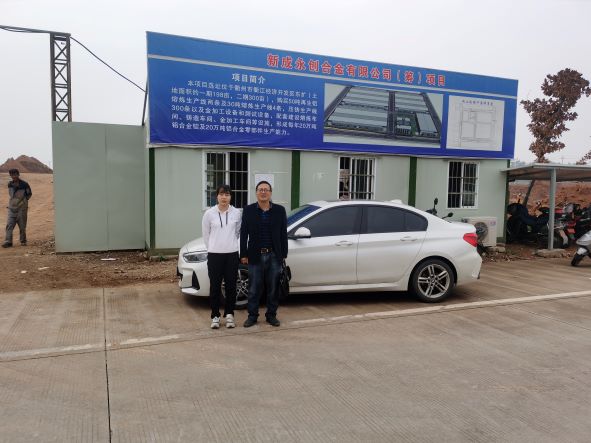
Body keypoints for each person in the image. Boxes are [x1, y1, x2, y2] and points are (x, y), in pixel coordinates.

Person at [240, 181, 288, 327]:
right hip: (255, 255)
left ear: (270, 193)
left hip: (274, 255)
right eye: (260, 190)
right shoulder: (248, 210)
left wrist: (283, 254)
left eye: (266, 190)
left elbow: (283, 233)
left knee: (273, 288)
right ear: (256, 193)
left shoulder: (280, 210)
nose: (263, 192)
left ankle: (271, 315)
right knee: (254, 288)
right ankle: (252, 316)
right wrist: (243, 254)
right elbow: (244, 234)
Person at [202, 184, 242, 329]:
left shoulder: (236, 213)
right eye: (221, 194)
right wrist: (213, 247)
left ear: (230, 197)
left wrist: (229, 245)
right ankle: (215, 316)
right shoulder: (209, 214)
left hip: (231, 255)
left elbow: (237, 232)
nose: (224, 197)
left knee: (231, 286)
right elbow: (206, 235)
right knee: (215, 286)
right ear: (216, 196)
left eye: (227, 194)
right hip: (214, 255)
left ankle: (230, 314)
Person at [3, 169, 32, 248]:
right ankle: (8, 241)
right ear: (10, 175)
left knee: (22, 226)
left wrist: (23, 202)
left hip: (21, 209)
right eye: (12, 175)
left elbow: (29, 194)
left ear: (18, 174)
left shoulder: (24, 184)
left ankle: (23, 241)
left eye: (15, 174)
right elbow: (11, 195)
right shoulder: (10, 184)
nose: (14, 176)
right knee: (9, 225)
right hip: (11, 208)